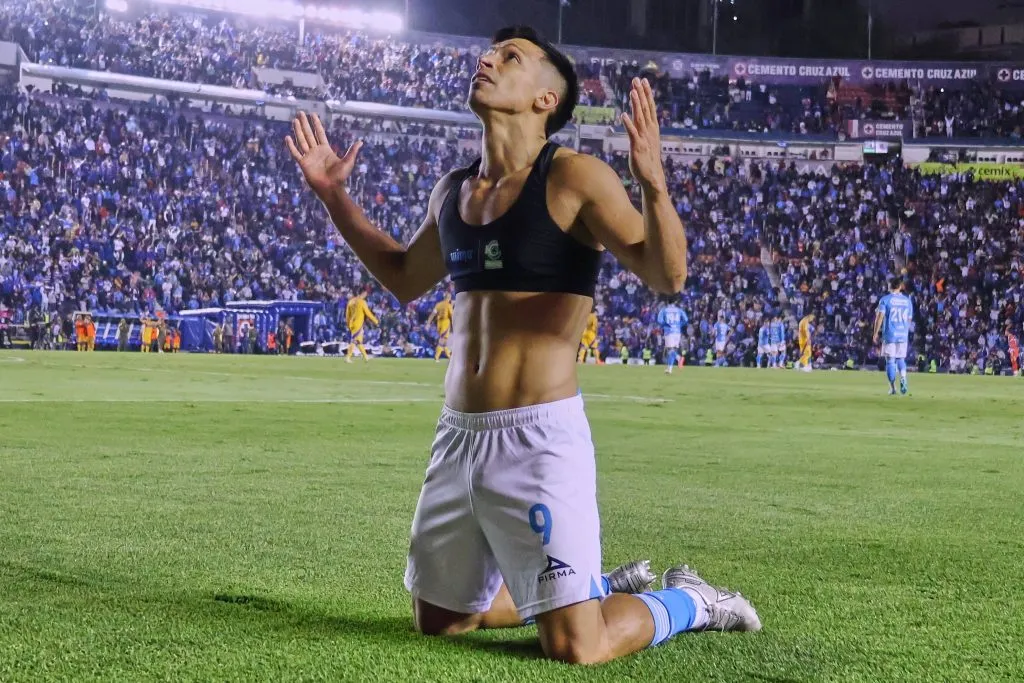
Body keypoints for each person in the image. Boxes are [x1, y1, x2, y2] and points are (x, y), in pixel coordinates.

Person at [286, 25, 759, 665]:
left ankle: (691, 601)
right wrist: (334, 195)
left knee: (577, 646)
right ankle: (587, 587)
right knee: (441, 621)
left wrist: (653, 183)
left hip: (537, 438)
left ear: (545, 100)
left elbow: (667, 276)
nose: (488, 59)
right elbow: (402, 277)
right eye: (491, 52)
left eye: (511, 57)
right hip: (459, 436)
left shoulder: (575, 178)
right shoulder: (453, 191)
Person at [873, 277, 913, 395]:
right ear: (900, 286)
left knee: (890, 361)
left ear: (889, 286)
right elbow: (909, 319)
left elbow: (879, 317)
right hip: (903, 334)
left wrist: (875, 333)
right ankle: (903, 377)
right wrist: (904, 330)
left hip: (890, 334)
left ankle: (893, 388)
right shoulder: (907, 301)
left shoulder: (885, 300)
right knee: (900, 359)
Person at [345, 289, 378, 363]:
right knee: (354, 341)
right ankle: (348, 357)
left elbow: (347, 315)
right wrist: (375, 321)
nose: (365, 295)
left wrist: (348, 325)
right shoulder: (362, 302)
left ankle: (366, 357)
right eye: (365, 294)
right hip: (358, 324)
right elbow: (368, 313)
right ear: (361, 294)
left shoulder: (350, 301)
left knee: (359, 341)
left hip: (352, 324)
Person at [656, 299, 687, 374]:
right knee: (672, 351)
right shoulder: (679, 310)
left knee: (670, 350)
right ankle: (669, 370)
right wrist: (679, 325)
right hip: (677, 332)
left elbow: (659, 320)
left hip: (669, 332)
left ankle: (679, 358)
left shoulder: (664, 310)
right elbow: (686, 319)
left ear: (667, 302)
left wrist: (665, 325)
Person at [427, 291, 455, 362]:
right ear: (449, 298)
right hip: (445, 324)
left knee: (444, 341)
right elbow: (452, 316)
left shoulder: (438, 304)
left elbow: (433, 314)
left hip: (439, 324)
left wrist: (428, 323)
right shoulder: (448, 305)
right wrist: (454, 326)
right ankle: (436, 357)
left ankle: (449, 356)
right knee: (442, 340)